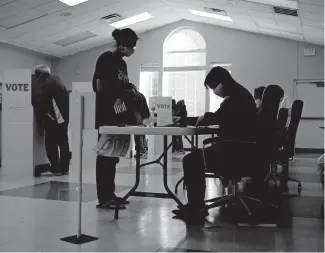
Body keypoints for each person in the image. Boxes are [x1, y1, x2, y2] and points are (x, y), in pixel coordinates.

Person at [172, 67, 257, 222]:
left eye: (213, 88)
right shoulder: (241, 95)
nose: (214, 92)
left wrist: (199, 118)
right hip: (243, 150)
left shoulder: (236, 99)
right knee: (196, 157)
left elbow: (216, 118)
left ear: (221, 84)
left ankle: (196, 207)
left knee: (191, 160)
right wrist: (192, 119)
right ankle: (196, 205)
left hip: (234, 151)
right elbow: (220, 118)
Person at [93, 28, 139, 209]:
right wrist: (122, 92)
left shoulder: (122, 63)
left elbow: (122, 84)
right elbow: (99, 86)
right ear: (122, 45)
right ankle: (104, 198)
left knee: (113, 158)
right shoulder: (106, 59)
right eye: (131, 47)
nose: (133, 50)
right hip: (106, 115)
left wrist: (130, 89)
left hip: (119, 114)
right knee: (105, 157)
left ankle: (110, 194)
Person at [33, 65, 70, 176]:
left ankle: (55, 168)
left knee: (50, 143)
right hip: (64, 117)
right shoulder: (57, 80)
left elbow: (40, 103)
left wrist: (40, 121)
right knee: (64, 143)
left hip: (54, 119)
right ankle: (64, 168)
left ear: (41, 75)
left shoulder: (47, 85)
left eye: (37, 76)